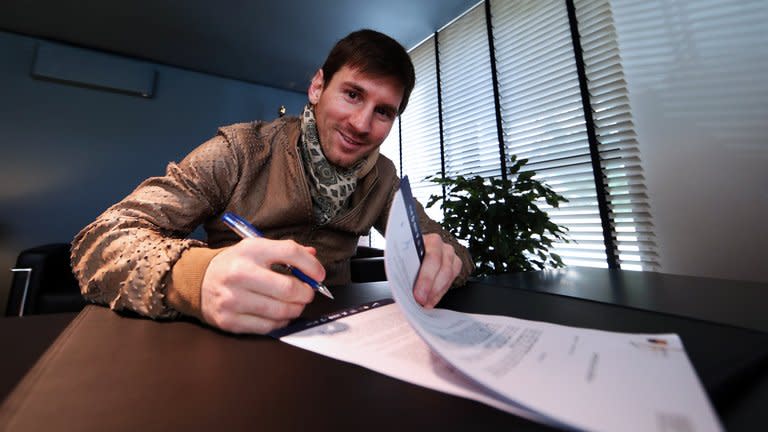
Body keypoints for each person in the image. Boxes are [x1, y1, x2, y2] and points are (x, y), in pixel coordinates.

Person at [71, 29, 473, 335]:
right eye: (352, 94)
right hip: (227, 343)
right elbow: (98, 240)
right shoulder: (238, 151)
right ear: (317, 87)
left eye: (384, 112)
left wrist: (445, 260)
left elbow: (452, 251)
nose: (362, 124)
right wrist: (195, 278)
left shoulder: (383, 177)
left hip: (341, 342)